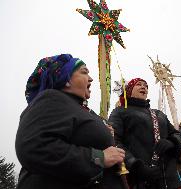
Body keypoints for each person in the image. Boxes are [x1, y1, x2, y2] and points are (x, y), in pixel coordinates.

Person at [15, 54, 125, 189]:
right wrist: (99, 158)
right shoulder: (51, 98)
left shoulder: (80, 108)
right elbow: (34, 147)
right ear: (66, 78)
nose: (91, 78)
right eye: (84, 72)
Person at [109, 78, 181, 189]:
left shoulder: (159, 114)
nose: (144, 87)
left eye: (146, 85)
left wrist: (172, 143)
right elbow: (114, 140)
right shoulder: (120, 111)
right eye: (139, 84)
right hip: (139, 179)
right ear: (129, 90)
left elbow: (177, 135)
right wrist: (135, 165)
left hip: (170, 178)